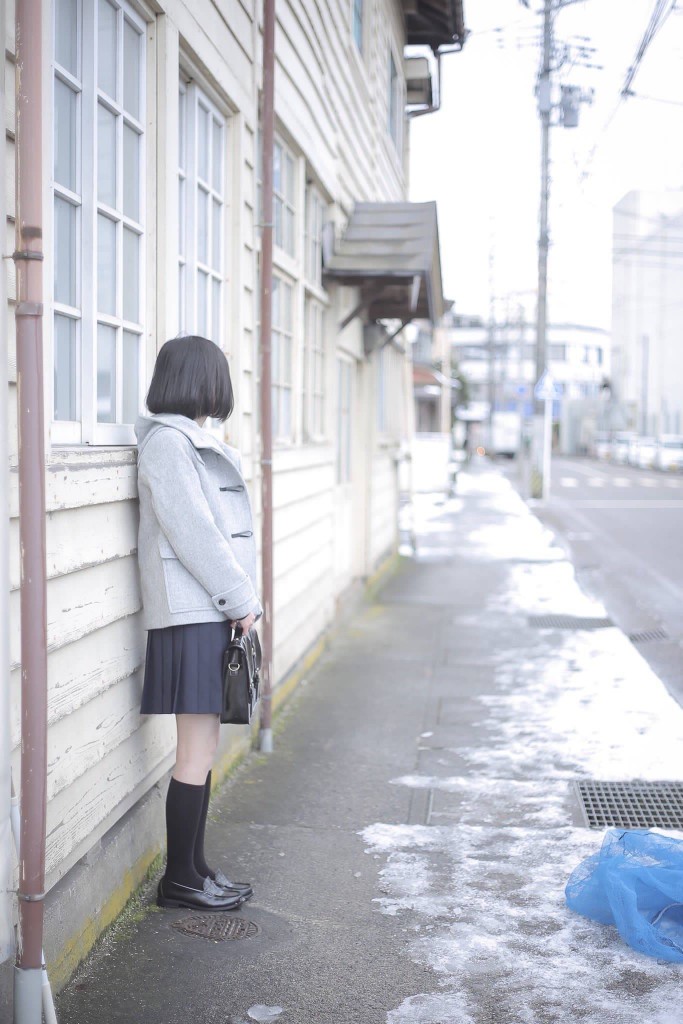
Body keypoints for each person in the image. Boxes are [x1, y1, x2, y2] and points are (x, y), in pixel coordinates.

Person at [135, 335, 262, 911]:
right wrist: (239, 598)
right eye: (217, 378)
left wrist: (237, 602)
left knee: (203, 747)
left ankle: (195, 868)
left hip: (206, 609)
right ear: (199, 381)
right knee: (194, 748)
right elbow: (194, 532)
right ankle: (179, 882)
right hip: (194, 612)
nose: (222, 391)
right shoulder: (168, 443)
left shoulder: (187, 441)